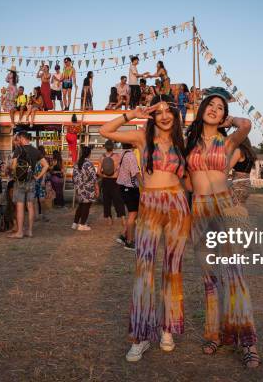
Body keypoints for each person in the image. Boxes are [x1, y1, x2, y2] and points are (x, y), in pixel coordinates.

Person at [100, 95, 190, 362]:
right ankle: (140, 337)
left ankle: (167, 330)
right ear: (152, 116)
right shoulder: (142, 136)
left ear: (175, 116)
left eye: (168, 111)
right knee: (144, 271)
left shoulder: (181, 143)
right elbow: (107, 131)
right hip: (149, 204)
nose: (163, 115)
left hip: (177, 206)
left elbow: (189, 180)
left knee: (173, 270)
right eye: (158, 111)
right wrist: (133, 113)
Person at [184, 87, 260, 367]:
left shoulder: (228, 144)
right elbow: (186, 182)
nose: (215, 109)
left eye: (220, 107)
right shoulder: (188, 144)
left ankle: (248, 342)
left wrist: (230, 121)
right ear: (202, 109)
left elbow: (247, 124)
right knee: (209, 281)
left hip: (224, 208)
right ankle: (213, 334)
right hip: (200, 210)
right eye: (211, 105)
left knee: (235, 275)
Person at [8, 131, 40, 239]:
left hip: (20, 182)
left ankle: (20, 232)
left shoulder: (18, 150)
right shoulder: (36, 151)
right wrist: (38, 176)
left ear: (22, 138)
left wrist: (9, 169)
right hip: (31, 181)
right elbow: (46, 165)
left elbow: (13, 166)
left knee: (20, 207)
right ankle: (30, 231)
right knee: (30, 206)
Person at [116, 142, 140, 250]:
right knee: (133, 214)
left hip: (122, 186)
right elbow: (135, 172)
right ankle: (129, 241)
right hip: (130, 187)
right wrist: (144, 185)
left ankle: (123, 235)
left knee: (132, 213)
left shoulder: (122, 153)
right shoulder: (131, 155)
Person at [98, 139, 125, 229]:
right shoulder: (117, 156)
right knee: (118, 200)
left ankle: (109, 219)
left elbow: (98, 172)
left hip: (105, 181)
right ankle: (123, 218)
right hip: (115, 181)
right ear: (113, 147)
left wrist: (104, 175)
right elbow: (121, 169)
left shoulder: (102, 157)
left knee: (107, 201)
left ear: (105, 148)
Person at [72, 146, 99, 230]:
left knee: (81, 205)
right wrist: (97, 188)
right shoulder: (88, 164)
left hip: (79, 188)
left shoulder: (77, 164)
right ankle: (82, 224)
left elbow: (74, 177)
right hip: (88, 188)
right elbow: (94, 177)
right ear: (89, 154)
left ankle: (75, 223)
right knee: (86, 206)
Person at [228, 138, 256, 206]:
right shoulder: (251, 153)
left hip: (238, 183)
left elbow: (228, 167)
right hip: (247, 183)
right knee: (241, 207)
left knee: (235, 208)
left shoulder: (239, 151)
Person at [34, 145, 50, 222]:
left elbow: (45, 171)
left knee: (41, 199)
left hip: (40, 181)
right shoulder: (34, 159)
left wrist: (43, 180)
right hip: (34, 181)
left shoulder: (43, 160)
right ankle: (37, 216)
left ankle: (44, 215)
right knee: (35, 200)